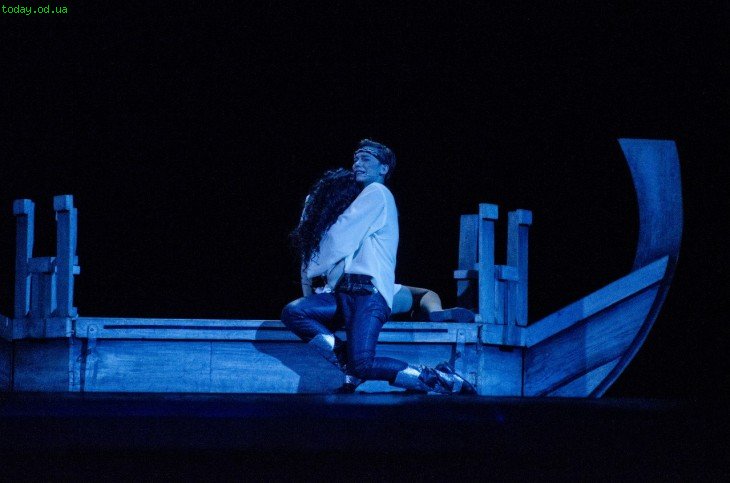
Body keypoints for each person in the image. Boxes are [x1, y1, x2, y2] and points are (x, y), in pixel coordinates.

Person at [281, 139, 475, 395]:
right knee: (295, 312)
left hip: (367, 295)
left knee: (362, 365)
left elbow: (338, 238)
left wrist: (311, 239)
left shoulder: (377, 193)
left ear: (384, 168)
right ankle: (352, 366)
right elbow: (336, 246)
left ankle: (442, 379)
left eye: (365, 159)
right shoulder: (363, 200)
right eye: (355, 158)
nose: (356, 163)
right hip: (345, 293)